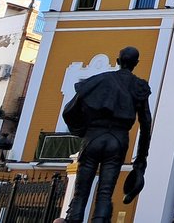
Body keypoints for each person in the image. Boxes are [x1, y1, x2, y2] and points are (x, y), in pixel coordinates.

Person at [60, 47, 152, 223]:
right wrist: (141, 159)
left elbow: (69, 110)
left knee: (80, 193)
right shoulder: (139, 86)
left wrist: (81, 130)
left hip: (94, 136)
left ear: (118, 61)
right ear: (136, 64)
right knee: (105, 192)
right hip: (118, 140)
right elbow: (146, 124)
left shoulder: (98, 81)